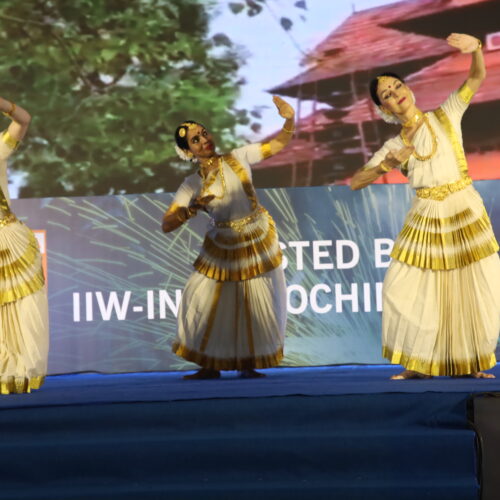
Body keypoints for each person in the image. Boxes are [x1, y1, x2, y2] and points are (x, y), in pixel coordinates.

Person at [350, 33, 500, 379]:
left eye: (396, 86)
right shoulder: (393, 146)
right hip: (426, 214)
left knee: (471, 284)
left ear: (409, 89)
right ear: (384, 109)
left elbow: (476, 77)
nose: (395, 93)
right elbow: (357, 181)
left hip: (463, 207)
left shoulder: (446, 115)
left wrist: (477, 49)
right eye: (387, 95)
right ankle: (419, 363)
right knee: (403, 286)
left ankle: (469, 363)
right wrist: (387, 165)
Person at [162, 96, 294, 379]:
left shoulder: (239, 157)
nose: (204, 140)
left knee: (252, 299)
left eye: (204, 133)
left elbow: (277, 145)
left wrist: (289, 120)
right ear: (187, 151)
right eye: (195, 140)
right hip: (220, 243)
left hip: (254, 237)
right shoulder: (191, 184)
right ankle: (210, 365)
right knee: (203, 298)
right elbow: (167, 223)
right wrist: (192, 208)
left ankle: (247, 363)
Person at [0, 98, 49, 394]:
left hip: (9, 239)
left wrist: (2, 103)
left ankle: (21, 372)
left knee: (25, 308)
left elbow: (23, 120)